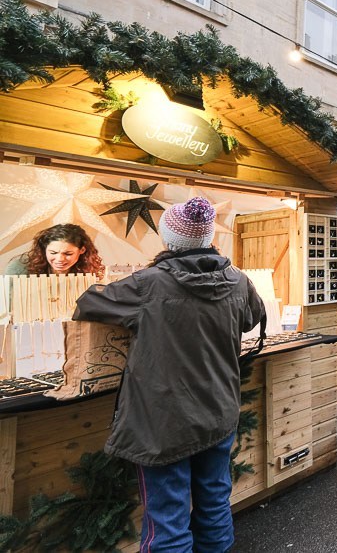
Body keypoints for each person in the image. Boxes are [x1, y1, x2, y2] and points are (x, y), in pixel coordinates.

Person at [72, 198, 265, 551]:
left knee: (168, 520)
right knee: (214, 506)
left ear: (168, 239)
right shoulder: (238, 280)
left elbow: (88, 303)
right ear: (208, 238)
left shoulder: (148, 283)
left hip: (164, 422)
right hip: (220, 410)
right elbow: (252, 318)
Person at [5, 223, 104, 276]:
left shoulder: (91, 271)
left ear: (82, 250)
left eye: (68, 254)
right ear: (44, 248)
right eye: (53, 252)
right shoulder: (19, 268)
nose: (60, 259)